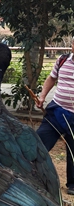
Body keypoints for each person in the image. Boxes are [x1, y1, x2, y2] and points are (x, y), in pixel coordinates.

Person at [37, 40, 74, 195]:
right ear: (72, 44)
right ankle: (32, 177)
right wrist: (42, 96)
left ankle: (72, 185)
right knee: (38, 143)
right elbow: (51, 78)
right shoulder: (63, 60)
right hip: (56, 111)